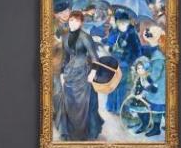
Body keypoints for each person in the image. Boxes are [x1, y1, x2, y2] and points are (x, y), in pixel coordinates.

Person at [57, 11, 104, 140]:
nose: (73, 23)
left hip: (83, 73)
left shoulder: (85, 37)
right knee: (68, 102)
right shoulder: (65, 37)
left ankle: (84, 133)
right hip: (69, 73)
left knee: (83, 104)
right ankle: (70, 132)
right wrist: (61, 73)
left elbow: (95, 57)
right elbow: (65, 57)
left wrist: (93, 73)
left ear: (81, 23)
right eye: (71, 20)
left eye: (76, 21)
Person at [105, 10, 141, 114]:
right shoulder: (115, 31)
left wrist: (131, 61)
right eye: (120, 22)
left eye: (125, 22)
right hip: (114, 63)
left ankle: (119, 108)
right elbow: (110, 44)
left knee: (122, 86)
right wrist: (111, 47)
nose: (122, 24)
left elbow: (138, 51)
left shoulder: (132, 34)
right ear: (117, 22)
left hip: (125, 64)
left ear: (128, 22)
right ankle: (111, 106)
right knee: (112, 84)